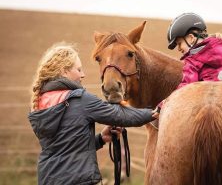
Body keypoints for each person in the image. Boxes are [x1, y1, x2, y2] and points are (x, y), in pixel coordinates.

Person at [28, 42, 156, 185]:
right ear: (64, 72)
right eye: (78, 69)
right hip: (78, 180)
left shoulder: (40, 102)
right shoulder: (79, 99)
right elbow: (121, 115)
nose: (83, 74)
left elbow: (65, 148)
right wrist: (155, 112)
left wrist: (101, 139)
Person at [153, 12, 222, 118]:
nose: (179, 48)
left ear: (191, 38)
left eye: (179, 43)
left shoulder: (192, 61)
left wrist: (164, 104)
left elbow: (186, 87)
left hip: (211, 100)